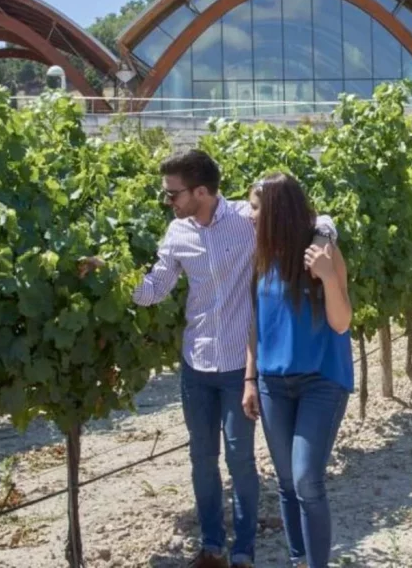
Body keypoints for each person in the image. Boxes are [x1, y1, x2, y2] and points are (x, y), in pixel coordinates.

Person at [81, 150, 335, 568]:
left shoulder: (245, 219)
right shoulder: (177, 233)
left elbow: (317, 220)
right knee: (202, 459)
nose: (168, 202)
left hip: (239, 365)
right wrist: (111, 272)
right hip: (196, 363)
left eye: (173, 194)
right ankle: (212, 546)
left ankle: (244, 552)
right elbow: (153, 290)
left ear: (200, 191)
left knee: (240, 460)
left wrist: (323, 238)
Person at [242, 174, 353, 568]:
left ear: (276, 211)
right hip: (273, 384)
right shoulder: (262, 257)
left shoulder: (321, 252)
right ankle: (299, 560)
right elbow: (256, 323)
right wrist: (250, 379)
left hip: (321, 381)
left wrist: (327, 277)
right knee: (287, 482)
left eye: (255, 207)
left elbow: (342, 322)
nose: (249, 215)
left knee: (307, 479)